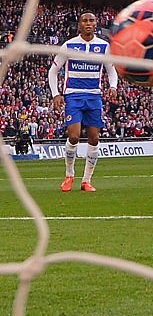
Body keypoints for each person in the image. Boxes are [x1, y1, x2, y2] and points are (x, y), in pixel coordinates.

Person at [48, 12, 118, 192]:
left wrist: (113, 86)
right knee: (74, 136)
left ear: (96, 24)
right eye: (85, 20)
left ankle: (86, 180)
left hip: (94, 96)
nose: (88, 23)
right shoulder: (69, 45)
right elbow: (53, 71)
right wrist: (56, 93)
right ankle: (69, 175)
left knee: (94, 138)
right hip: (73, 95)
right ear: (79, 24)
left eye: (91, 20)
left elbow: (111, 70)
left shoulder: (103, 46)